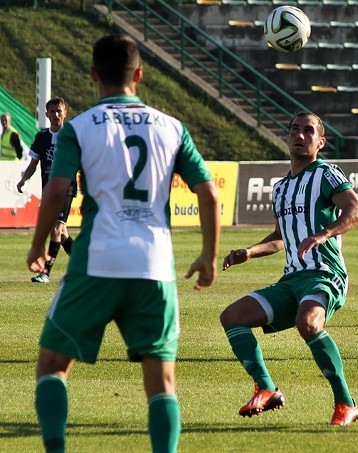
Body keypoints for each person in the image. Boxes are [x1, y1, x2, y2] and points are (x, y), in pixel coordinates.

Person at [26, 34, 221, 453]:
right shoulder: (172, 127)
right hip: (153, 265)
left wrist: (38, 244)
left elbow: (57, 189)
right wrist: (208, 254)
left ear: (93, 74)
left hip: (96, 262)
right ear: (140, 75)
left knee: (52, 366)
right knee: (162, 382)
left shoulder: (78, 128)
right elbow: (209, 194)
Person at [220, 111, 358, 426]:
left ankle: (345, 403)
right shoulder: (282, 187)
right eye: (295, 130)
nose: (300, 135)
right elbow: (279, 238)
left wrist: (324, 234)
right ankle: (266, 388)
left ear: (321, 141)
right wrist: (249, 251)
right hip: (291, 279)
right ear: (287, 138)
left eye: (309, 131)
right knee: (232, 317)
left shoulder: (326, 173)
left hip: (325, 273)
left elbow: (357, 210)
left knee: (308, 322)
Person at [17, 97, 75, 283]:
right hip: (48, 189)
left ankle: (45, 273)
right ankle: (87, 266)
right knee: (62, 233)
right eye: (53, 111)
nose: (56, 115)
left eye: (59, 111)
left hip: (66, 187)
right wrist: (23, 179)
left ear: (65, 113)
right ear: (46, 114)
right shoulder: (41, 137)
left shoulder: (72, 135)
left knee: (56, 229)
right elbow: (33, 164)